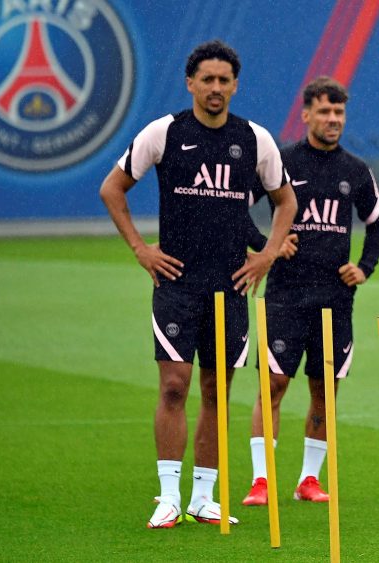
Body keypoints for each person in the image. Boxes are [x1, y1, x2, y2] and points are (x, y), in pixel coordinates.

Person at [98, 40, 297, 529]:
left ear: (234, 85)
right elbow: (112, 189)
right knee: (173, 386)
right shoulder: (165, 132)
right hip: (177, 283)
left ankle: (204, 497)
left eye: (223, 80)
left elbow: (286, 202)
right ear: (190, 83)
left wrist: (267, 255)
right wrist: (141, 250)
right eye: (205, 79)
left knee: (215, 390)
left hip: (230, 287)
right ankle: (168, 495)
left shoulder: (255, 139)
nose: (214, 88)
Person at [241, 76, 379, 506]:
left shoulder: (356, 171)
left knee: (325, 390)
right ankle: (261, 480)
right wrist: (266, 246)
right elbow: (238, 204)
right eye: (324, 111)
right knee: (274, 384)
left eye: (339, 112)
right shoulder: (282, 163)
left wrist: (364, 267)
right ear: (306, 114)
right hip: (285, 293)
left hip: (335, 299)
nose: (332, 120)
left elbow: (377, 221)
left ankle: (309, 480)